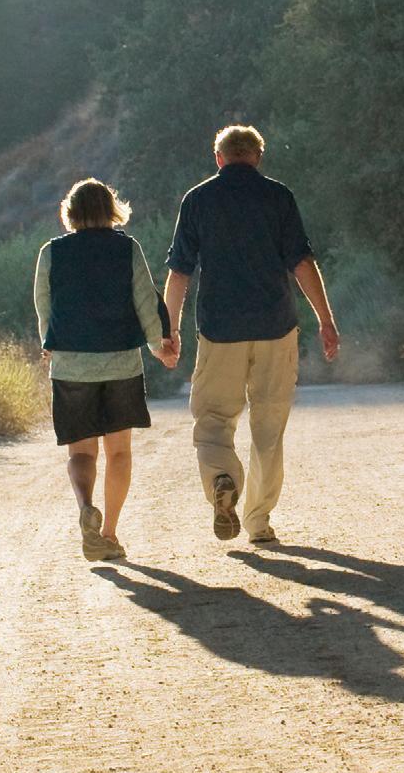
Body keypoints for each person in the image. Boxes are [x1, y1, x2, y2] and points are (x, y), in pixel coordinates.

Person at [163, 123, 340, 547]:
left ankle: (222, 480)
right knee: (269, 424)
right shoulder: (278, 197)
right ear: (258, 157)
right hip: (275, 326)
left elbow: (180, 273)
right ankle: (258, 522)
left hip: (220, 329)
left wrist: (170, 330)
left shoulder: (198, 199)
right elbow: (302, 263)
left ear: (218, 158)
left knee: (213, 420)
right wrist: (326, 319)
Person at [33, 178, 178, 561]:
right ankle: (110, 534)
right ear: (111, 210)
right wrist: (159, 347)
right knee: (119, 453)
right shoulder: (127, 248)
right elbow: (145, 302)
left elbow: (44, 308)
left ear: (71, 213)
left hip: (71, 367)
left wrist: (49, 343)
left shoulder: (51, 252)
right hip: (120, 365)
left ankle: (86, 508)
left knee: (81, 453)